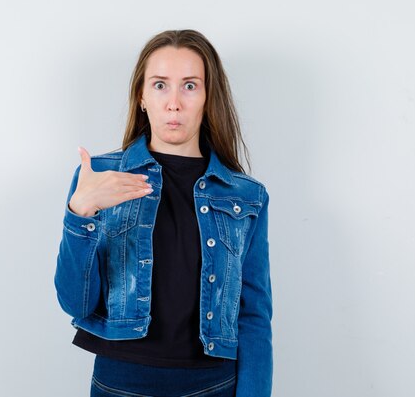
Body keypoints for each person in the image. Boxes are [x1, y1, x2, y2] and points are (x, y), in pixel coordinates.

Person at [54, 29, 272, 397]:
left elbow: (253, 316)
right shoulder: (101, 177)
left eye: (190, 85)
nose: (174, 102)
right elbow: (75, 302)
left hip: (214, 384)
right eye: (159, 85)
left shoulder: (246, 195)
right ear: (141, 96)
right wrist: (80, 214)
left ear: (207, 97)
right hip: (120, 383)